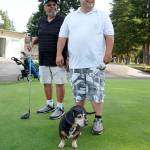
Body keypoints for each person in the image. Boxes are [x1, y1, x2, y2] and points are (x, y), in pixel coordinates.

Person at [56, 0, 114, 134]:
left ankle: (98, 120)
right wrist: (59, 53)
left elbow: (109, 35)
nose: (90, 0)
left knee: (96, 94)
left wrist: (108, 52)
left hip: (95, 64)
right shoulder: (70, 17)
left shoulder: (102, 15)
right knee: (79, 96)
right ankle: (79, 120)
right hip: (76, 65)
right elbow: (62, 37)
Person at [25, 0, 67, 120]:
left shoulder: (62, 20)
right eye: (49, 5)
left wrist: (65, 56)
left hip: (58, 58)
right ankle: (49, 104)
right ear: (44, 7)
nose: (52, 7)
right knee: (46, 82)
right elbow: (39, 35)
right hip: (43, 57)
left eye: (54, 5)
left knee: (59, 83)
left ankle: (60, 107)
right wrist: (32, 43)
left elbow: (66, 37)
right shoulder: (41, 21)